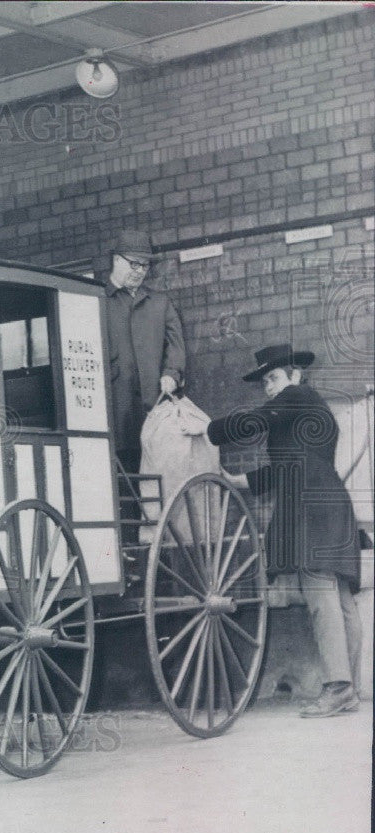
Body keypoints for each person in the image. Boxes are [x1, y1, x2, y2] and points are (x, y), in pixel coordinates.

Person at [181, 344, 362, 717]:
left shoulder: (298, 396)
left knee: (320, 598)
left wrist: (208, 429)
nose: (269, 387)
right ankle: (349, 689)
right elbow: (282, 468)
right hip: (329, 506)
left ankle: (338, 687)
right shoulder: (303, 412)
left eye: (274, 377)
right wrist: (234, 478)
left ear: (295, 375)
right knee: (339, 600)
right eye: (265, 381)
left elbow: (256, 421)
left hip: (313, 510)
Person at [103, 228, 186, 474]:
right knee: (122, 486)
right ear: (116, 260)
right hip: (115, 415)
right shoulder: (96, 301)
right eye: (134, 264)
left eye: (144, 266)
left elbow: (176, 345)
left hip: (155, 411)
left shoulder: (161, 304)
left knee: (157, 483)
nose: (139, 271)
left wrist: (172, 373)